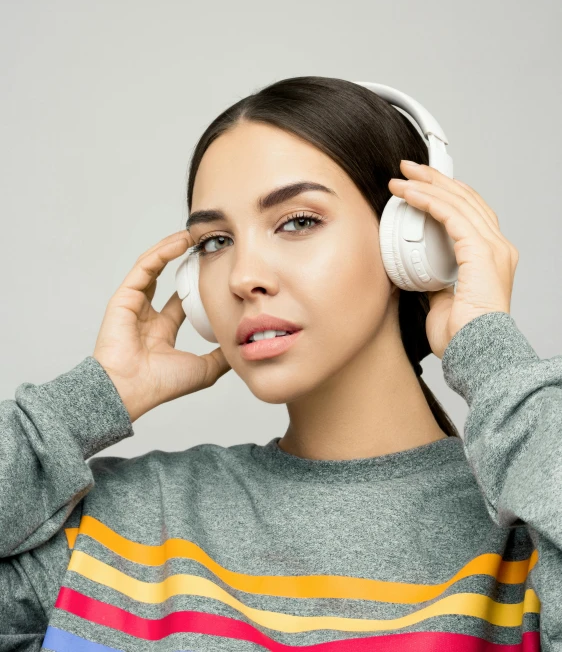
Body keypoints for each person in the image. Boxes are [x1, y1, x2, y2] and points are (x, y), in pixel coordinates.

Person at [1, 76, 560, 651]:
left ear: (413, 242)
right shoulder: (120, 527)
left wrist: (491, 356)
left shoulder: (527, 549)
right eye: (216, 241)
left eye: (298, 222)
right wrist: (90, 399)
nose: (244, 277)